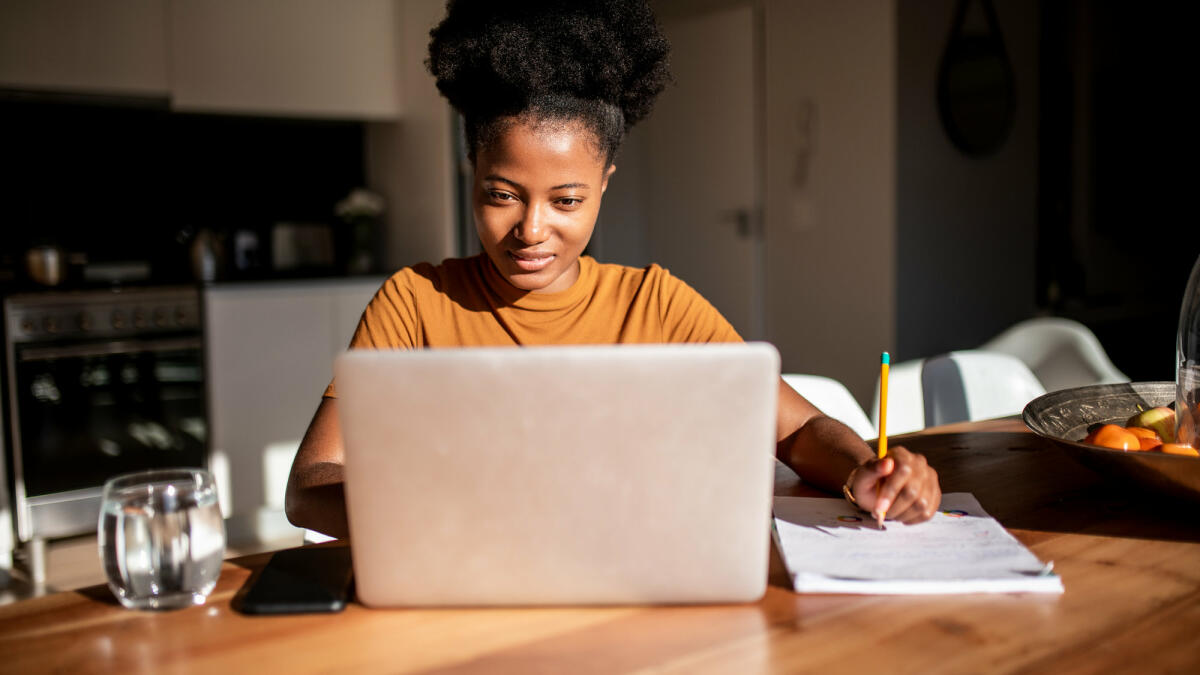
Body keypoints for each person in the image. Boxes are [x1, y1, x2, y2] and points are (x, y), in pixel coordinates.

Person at [286, 0, 940, 540]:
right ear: (472, 176)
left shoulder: (656, 305)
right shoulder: (414, 303)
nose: (532, 230)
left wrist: (867, 470)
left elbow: (798, 428)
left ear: (605, 184)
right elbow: (311, 482)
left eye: (566, 200)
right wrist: (427, 516)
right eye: (501, 194)